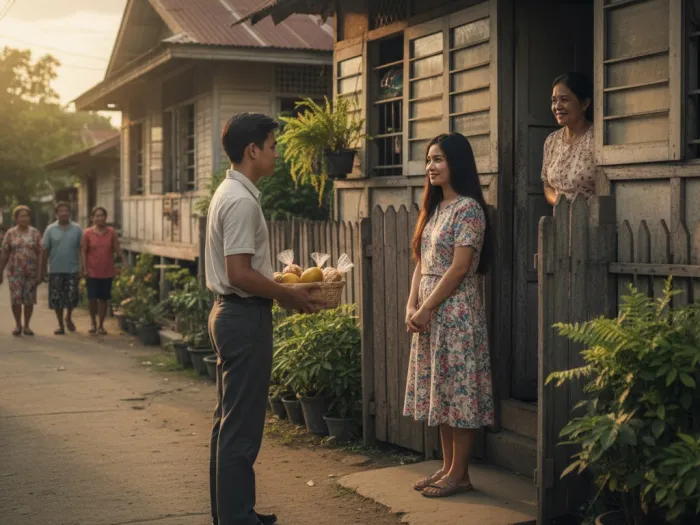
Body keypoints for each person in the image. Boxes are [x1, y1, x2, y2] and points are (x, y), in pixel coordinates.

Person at [206, 112, 320, 525]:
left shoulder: (233, 193)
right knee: (241, 427)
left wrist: (278, 285)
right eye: (273, 147)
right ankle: (237, 518)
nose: (277, 154)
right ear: (252, 150)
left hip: (231, 312)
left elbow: (241, 270)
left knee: (229, 423)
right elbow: (238, 273)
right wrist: (288, 293)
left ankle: (233, 514)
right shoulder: (239, 200)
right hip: (243, 317)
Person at [404, 133, 494, 498]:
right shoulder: (436, 208)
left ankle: (461, 473)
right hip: (430, 312)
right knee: (440, 391)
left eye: (438, 159)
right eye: (428, 160)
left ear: (456, 162)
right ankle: (446, 467)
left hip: (455, 312)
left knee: (459, 393)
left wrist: (426, 308)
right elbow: (422, 264)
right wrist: (411, 305)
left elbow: (458, 269)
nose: (431, 167)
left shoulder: (468, 208)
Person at [542, 72, 595, 205]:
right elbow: (547, 185)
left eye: (564, 100)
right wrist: (561, 205)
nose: (557, 107)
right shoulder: (552, 141)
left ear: (585, 104)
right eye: (554, 101)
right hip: (560, 219)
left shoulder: (597, 138)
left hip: (591, 219)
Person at [81, 206, 128, 335]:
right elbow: (84, 252)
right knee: (92, 298)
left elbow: (117, 248)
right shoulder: (87, 233)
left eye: (102, 215)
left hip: (106, 270)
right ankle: (93, 322)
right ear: (92, 218)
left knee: (103, 298)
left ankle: (101, 325)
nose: (100, 218)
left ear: (106, 218)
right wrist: (84, 269)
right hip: (91, 270)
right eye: (97, 215)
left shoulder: (111, 232)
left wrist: (124, 261)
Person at [40, 201, 83, 335]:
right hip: (56, 270)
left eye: (66, 211)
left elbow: (81, 249)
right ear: (56, 214)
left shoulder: (77, 229)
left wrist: (82, 266)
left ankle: (68, 317)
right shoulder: (50, 229)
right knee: (57, 299)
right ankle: (60, 325)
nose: (64, 213)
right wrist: (43, 269)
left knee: (72, 298)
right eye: (61, 211)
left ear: (70, 213)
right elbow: (45, 250)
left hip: (72, 269)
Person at [0, 205, 42, 336]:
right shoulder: (10, 233)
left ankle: (27, 326)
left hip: (31, 272)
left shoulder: (35, 233)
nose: (24, 218)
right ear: (16, 218)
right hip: (14, 272)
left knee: (29, 300)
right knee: (16, 299)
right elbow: (5, 252)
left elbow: (40, 252)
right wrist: (0, 271)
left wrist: (40, 272)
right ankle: (18, 324)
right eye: (21, 216)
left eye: (27, 216)